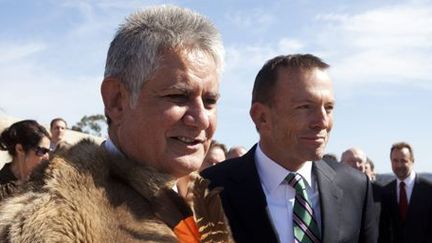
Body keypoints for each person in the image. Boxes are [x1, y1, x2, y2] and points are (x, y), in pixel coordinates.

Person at [0, 5, 232, 242]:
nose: (202, 118)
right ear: (117, 101)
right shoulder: (57, 226)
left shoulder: (214, 204)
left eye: (210, 100)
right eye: (178, 96)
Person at [202, 54, 377, 243]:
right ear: (261, 117)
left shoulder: (355, 187)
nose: (323, 122)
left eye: (328, 107)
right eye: (305, 107)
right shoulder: (207, 191)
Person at [379, 142, 432, 243]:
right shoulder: (385, 192)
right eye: (395, 161)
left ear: (412, 161)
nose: (399, 165)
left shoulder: (429, 190)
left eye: (404, 160)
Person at [0, 120, 51, 199]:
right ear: (20, 149)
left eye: (48, 151)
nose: (47, 156)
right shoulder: (2, 188)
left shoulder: (43, 185)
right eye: (42, 151)